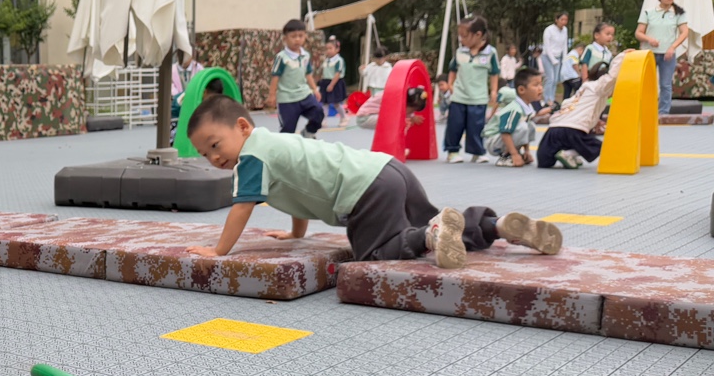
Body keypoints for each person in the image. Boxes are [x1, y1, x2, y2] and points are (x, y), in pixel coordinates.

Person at [182, 94, 563, 270]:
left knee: (375, 252)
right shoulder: (275, 142)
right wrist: (296, 234)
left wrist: (219, 251)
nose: (214, 158)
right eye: (204, 154)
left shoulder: (250, 157)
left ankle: (429, 236)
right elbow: (298, 187)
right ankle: (494, 226)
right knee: (438, 220)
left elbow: (242, 207)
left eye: (215, 145)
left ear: (242, 127)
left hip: (364, 193)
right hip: (387, 169)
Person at [537, 55, 618, 169]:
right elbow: (612, 76)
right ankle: (568, 154)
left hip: (554, 129)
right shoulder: (599, 87)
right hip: (573, 129)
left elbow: (571, 107)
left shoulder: (582, 90)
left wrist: (595, 122)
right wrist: (622, 57)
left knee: (545, 162)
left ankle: (568, 154)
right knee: (598, 146)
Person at [443, 15, 500, 163]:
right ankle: (452, 151)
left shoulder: (491, 53)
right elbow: (453, 69)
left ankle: (477, 152)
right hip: (459, 96)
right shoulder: (460, 52)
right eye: (460, 36)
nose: (461, 39)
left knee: (476, 126)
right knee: (455, 125)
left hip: (478, 97)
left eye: (464, 36)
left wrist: (494, 90)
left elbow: (494, 73)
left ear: (478, 35)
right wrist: (450, 84)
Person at [637, 0, 689, 115]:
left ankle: (663, 113)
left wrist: (672, 47)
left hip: (668, 54)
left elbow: (684, 32)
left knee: (666, 84)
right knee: (646, 83)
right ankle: (645, 110)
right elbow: (638, 33)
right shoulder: (648, 12)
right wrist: (649, 39)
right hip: (648, 53)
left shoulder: (679, 13)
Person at [268, 19, 322, 138]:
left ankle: (308, 133)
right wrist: (272, 95)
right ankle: (285, 148)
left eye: (300, 36)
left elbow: (308, 74)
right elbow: (275, 76)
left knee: (318, 112)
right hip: (287, 99)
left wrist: (315, 89)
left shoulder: (305, 55)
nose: (297, 39)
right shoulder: (282, 57)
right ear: (285, 39)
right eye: (293, 36)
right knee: (288, 129)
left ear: (305, 36)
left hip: (304, 95)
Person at [481, 67, 544, 167]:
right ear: (522, 90)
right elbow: (505, 132)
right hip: (493, 141)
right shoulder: (514, 109)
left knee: (530, 126)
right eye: (536, 85)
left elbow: (526, 129)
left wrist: (527, 151)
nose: (540, 88)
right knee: (522, 127)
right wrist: (515, 154)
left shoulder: (527, 107)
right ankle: (506, 156)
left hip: (502, 139)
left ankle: (514, 153)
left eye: (541, 84)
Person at [317, 37, 348, 124]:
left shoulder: (339, 60)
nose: (328, 51)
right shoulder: (326, 60)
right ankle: (323, 120)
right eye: (326, 49)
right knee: (325, 103)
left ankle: (343, 117)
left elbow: (338, 73)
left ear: (337, 49)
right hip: (325, 82)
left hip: (335, 82)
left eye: (330, 48)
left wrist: (331, 85)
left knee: (336, 103)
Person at [541, 12, 570, 103]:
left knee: (555, 80)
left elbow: (564, 45)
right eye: (562, 19)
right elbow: (547, 46)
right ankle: (546, 100)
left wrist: (565, 58)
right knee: (550, 78)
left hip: (558, 57)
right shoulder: (549, 30)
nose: (564, 22)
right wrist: (553, 60)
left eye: (566, 20)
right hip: (547, 57)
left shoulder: (565, 30)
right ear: (556, 20)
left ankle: (552, 98)